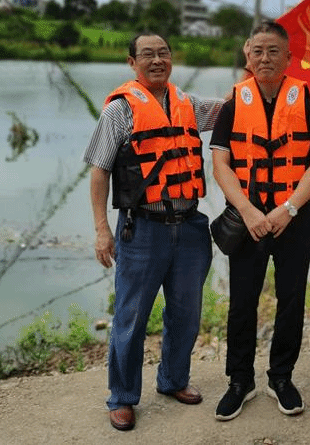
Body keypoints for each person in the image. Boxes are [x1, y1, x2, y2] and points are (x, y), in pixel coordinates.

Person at [85, 33, 224, 431]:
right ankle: (122, 397)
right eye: (148, 54)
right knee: (131, 317)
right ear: (132, 63)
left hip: (190, 226)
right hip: (141, 228)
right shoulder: (119, 111)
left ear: (172, 58)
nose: (157, 60)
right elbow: (99, 172)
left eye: (163, 53)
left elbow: (230, 110)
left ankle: (174, 380)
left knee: (186, 312)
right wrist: (101, 230)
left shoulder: (189, 105)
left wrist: (256, 74)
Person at [210, 20, 310, 421]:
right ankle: (239, 380)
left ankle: (282, 377)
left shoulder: (306, 102)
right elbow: (221, 164)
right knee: (242, 301)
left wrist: (289, 208)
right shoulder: (234, 104)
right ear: (247, 54)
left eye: (273, 51)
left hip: (292, 217)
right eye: (258, 51)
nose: (265, 58)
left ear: (288, 58)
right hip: (248, 218)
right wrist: (248, 210)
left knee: (291, 300)